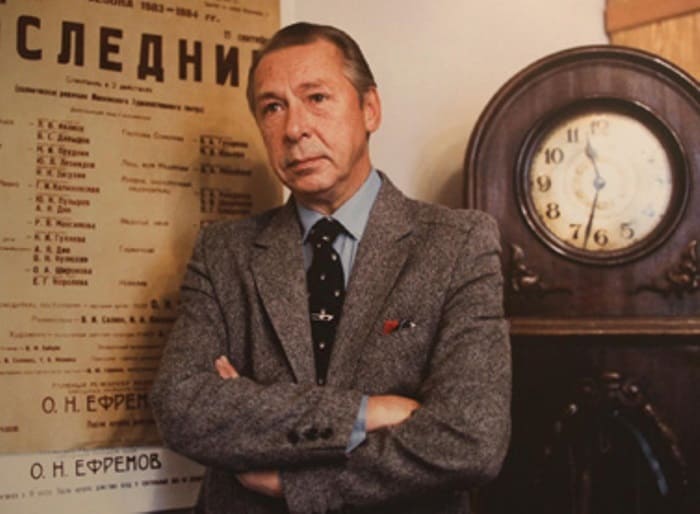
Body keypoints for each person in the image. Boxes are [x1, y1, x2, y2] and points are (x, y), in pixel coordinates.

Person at [150, 22, 511, 514]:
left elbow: (472, 439)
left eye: (316, 98)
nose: (294, 129)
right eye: (273, 108)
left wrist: (295, 481)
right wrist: (367, 412)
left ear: (370, 109)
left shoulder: (457, 244)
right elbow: (180, 406)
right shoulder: (223, 251)